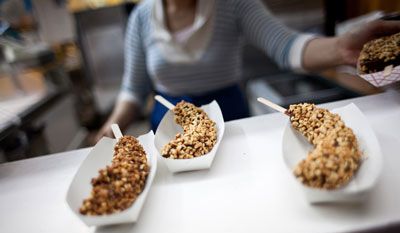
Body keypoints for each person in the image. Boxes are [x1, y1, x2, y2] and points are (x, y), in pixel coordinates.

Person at [95, 0, 400, 141]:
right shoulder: (140, 17)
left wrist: (339, 49)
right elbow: (133, 90)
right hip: (169, 128)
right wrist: (112, 125)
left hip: (230, 123)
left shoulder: (233, 5)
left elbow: (286, 46)